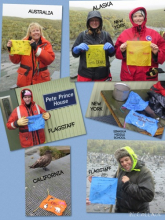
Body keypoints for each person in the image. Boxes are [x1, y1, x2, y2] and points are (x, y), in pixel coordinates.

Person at [115, 7, 165, 81]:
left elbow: (162, 57)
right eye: (135, 16)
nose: (138, 18)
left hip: (148, 77)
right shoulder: (125, 33)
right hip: (128, 76)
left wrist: (157, 53)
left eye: (140, 16)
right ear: (132, 18)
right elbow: (116, 54)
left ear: (144, 17)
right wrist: (121, 50)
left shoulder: (154, 34)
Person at [7, 22, 55, 87]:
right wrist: (11, 50)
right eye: (33, 31)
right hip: (25, 80)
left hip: (41, 80)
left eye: (37, 30)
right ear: (30, 33)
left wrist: (36, 49)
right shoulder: (23, 43)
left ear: (40, 32)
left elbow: (50, 60)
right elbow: (16, 61)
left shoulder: (46, 44)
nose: (36, 32)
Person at [72, 11, 115, 81]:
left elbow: (112, 54)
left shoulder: (106, 35)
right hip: (85, 75)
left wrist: (111, 49)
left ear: (100, 22)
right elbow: (74, 54)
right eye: (92, 20)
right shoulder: (82, 35)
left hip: (103, 74)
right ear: (88, 22)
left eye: (96, 20)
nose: (94, 22)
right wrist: (76, 49)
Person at [114, 146, 155, 213]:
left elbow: (148, 196)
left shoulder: (144, 172)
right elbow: (112, 184)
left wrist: (128, 185)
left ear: (132, 158)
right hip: (120, 210)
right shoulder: (120, 170)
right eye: (121, 161)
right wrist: (97, 182)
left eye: (126, 160)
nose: (124, 163)